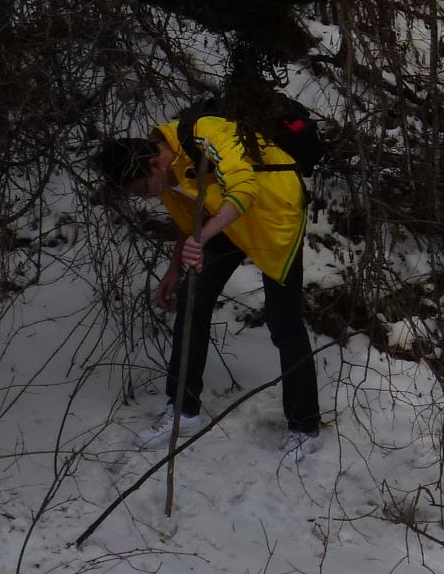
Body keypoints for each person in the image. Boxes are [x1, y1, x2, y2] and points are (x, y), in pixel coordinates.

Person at [95, 111, 322, 462]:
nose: (144, 197)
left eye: (141, 189)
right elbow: (192, 219)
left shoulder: (205, 134)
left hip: (274, 212)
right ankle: (183, 410)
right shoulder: (166, 176)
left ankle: (305, 427)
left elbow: (244, 187)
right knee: (191, 302)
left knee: (284, 321)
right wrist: (174, 268)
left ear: (153, 163)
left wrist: (202, 238)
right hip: (224, 220)